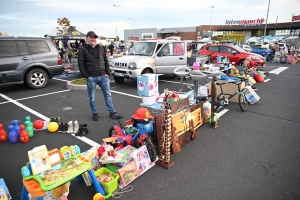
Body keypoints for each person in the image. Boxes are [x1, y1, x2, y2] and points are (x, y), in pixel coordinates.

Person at [78, 31, 122, 121]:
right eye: (91, 37)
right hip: (91, 77)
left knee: (108, 94)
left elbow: (105, 60)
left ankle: (112, 112)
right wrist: (87, 76)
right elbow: (81, 64)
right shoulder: (82, 49)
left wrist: (107, 72)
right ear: (87, 38)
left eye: (94, 38)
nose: (93, 39)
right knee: (92, 96)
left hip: (103, 76)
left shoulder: (100, 48)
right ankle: (94, 113)